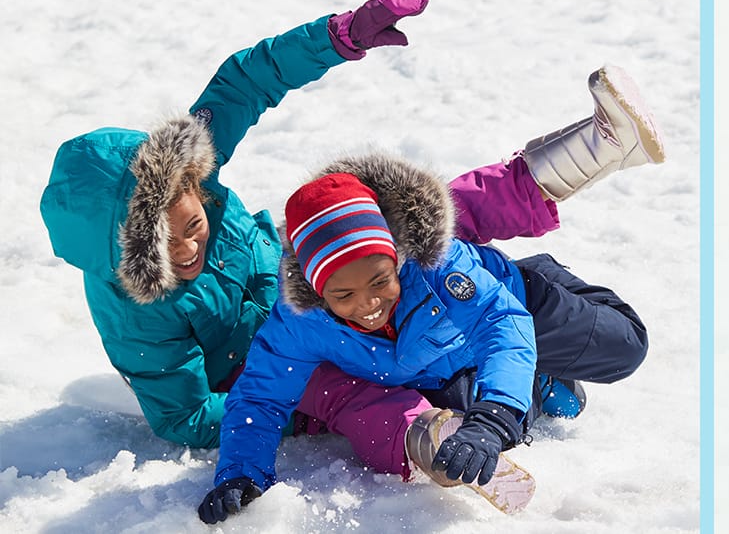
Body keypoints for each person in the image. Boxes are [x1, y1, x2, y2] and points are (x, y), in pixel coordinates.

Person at [38, 0, 663, 451]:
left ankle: (590, 155)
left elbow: (243, 83)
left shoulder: (188, 171)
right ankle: (505, 387)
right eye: (160, 248)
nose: (185, 248)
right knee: (411, 386)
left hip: (322, 283)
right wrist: (286, 405)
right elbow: (183, 416)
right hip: (301, 357)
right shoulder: (132, 312)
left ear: (193, 184)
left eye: (192, 224)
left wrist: (340, 35)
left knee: (420, 221)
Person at [197, 155, 650, 523]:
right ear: (317, 291)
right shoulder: (299, 319)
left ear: (396, 258)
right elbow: (261, 396)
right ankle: (535, 383)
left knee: (626, 348)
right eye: (344, 295)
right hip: (442, 363)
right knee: (462, 432)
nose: (368, 304)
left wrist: (494, 417)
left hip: (513, 305)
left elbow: (501, 325)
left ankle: (542, 287)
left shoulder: (438, 264)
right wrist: (241, 474)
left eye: (379, 281)